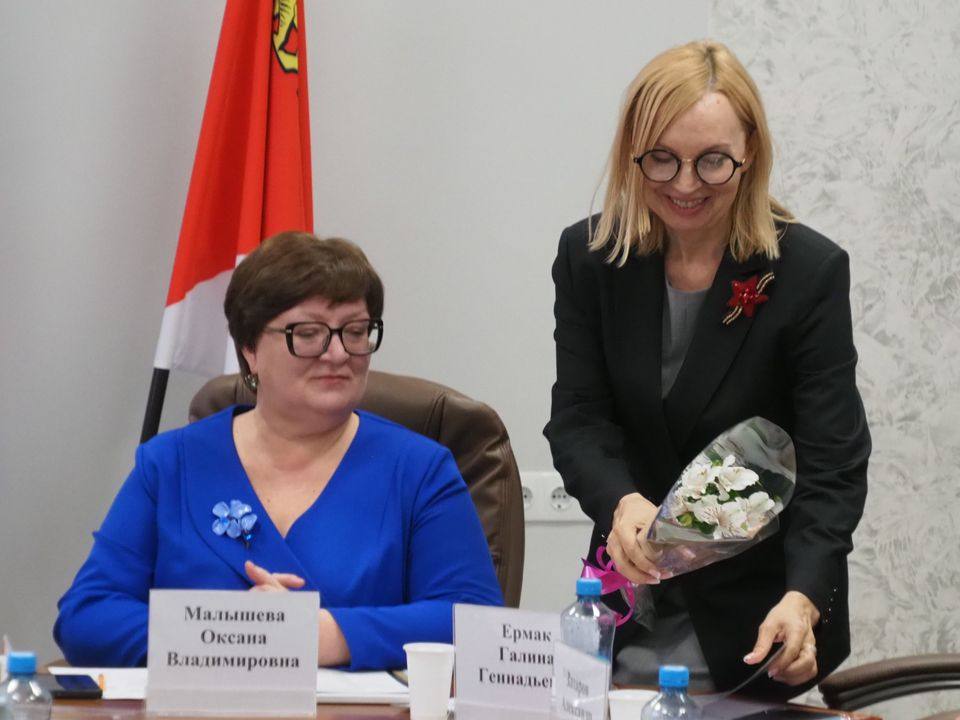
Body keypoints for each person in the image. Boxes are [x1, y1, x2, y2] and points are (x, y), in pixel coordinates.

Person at [544, 40, 870, 698]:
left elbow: (832, 462)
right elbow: (579, 421)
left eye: (713, 161)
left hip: (754, 623)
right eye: (662, 158)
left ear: (751, 156)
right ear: (632, 153)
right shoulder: (591, 258)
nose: (685, 184)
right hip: (625, 613)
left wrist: (804, 598)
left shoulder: (806, 273)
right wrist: (622, 503)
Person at [55, 232, 503, 669]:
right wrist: (232, 633)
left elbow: (475, 622)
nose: (337, 353)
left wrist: (328, 634)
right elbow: (86, 617)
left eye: (355, 331)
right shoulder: (171, 464)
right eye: (307, 333)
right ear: (250, 349)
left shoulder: (420, 470)